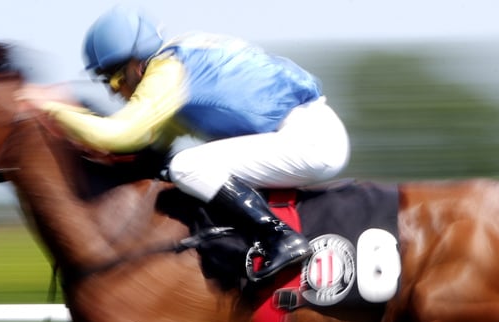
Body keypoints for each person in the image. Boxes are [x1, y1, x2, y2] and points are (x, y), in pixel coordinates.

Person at [19, 5, 350, 282]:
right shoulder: (178, 63)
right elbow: (150, 145)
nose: (115, 91)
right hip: (303, 132)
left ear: (138, 64)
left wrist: (49, 108)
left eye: (116, 78)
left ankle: (280, 237)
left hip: (309, 140)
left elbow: (121, 134)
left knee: (188, 166)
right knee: (175, 167)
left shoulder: (166, 71)